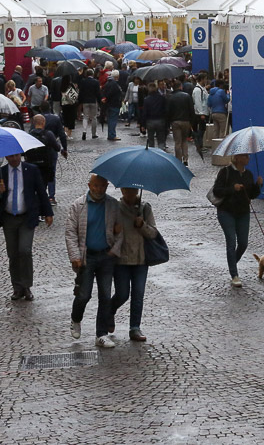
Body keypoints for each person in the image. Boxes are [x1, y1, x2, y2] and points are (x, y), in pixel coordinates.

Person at [65, 174, 120, 347]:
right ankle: (76, 317)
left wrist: (115, 250)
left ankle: (101, 334)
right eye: (96, 186)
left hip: (106, 255)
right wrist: (75, 256)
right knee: (83, 294)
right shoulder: (78, 205)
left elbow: (121, 232)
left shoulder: (113, 205)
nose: (99, 189)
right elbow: (71, 232)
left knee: (105, 295)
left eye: (102, 186)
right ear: (89, 185)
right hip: (86, 256)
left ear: (107, 185)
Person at [0, 152, 53, 301]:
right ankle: (17, 287)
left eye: (16, 156)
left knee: (25, 250)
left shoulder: (31, 170)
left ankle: (26, 285)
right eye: (10, 157)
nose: (14, 159)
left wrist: (48, 213)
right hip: (9, 218)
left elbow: (41, 191)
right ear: (6, 157)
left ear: (20, 155)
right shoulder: (0, 172)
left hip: (27, 217)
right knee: (13, 253)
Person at [109, 187, 158, 341]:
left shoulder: (145, 208)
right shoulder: (115, 208)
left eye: (132, 191)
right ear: (122, 190)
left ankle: (134, 328)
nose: (129, 194)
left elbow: (153, 233)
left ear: (137, 190)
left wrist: (142, 225)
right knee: (122, 294)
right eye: (126, 191)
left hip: (140, 259)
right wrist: (114, 230)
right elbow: (107, 232)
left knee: (138, 294)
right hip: (121, 259)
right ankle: (109, 311)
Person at [212, 154, 261, 286]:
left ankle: (232, 262)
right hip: (226, 211)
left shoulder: (248, 174)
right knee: (231, 242)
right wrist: (232, 189)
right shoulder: (225, 172)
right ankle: (234, 274)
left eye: (248, 156)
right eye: (245, 156)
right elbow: (217, 191)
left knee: (243, 243)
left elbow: (252, 195)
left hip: (243, 212)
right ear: (238, 158)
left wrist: (257, 185)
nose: (248, 159)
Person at [25, 114, 63, 205]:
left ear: (33, 123)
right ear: (44, 123)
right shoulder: (48, 134)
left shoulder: (28, 135)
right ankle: (46, 202)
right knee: (43, 186)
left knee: (33, 186)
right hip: (45, 165)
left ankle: (34, 204)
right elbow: (57, 148)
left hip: (31, 165)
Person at [166, 84, 194, 166]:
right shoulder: (187, 96)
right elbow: (191, 109)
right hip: (186, 121)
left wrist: (169, 123)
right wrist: (191, 122)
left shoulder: (170, 97)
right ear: (180, 87)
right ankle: (185, 158)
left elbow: (168, 111)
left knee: (177, 142)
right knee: (184, 140)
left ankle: (178, 159)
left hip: (175, 121)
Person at [142, 81, 168, 149]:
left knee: (151, 139)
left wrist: (143, 125)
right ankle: (161, 150)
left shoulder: (146, 99)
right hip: (160, 120)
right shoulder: (162, 98)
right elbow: (165, 110)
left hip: (150, 121)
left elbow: (144, 113)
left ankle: (152, 151)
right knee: (161, 138)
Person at [101, 70, 124, 141]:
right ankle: (112, 135)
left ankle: (111, 134)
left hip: (109, 104)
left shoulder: (108, 82)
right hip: (114, 104)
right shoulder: (114, 84)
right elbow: (112, 93)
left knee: (110, 119)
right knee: (113, 120)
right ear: (117, 76)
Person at [192, 73, 210, 157]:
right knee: (201, 130)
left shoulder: (202, 89)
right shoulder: (197, 90)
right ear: (202, 79)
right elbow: (198, 102)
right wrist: (201, 113)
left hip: (204, 112)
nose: (206, 81)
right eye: (205, 79)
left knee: (202, 129)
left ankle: (200, 145)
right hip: (200, 113)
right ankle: (199, 145)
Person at [79, 69, 100, 140]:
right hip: (93, 101)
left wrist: (80, 101)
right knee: (94, 117)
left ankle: (84, 131)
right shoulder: (96, 82)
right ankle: (93, 133)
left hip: (85, 101)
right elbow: (98, 93)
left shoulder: (83, 81)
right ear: (92, 74)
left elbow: (81, 92)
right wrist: (100, 102)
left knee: (85, 117)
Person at [59, 74, 79, 138]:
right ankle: (69, 134)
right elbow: (75, 94)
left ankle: (65, 133)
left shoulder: (62, 85)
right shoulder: (71, 85)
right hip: (71, 104)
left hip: (64, 104)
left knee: (65, 118)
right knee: (71, 119)